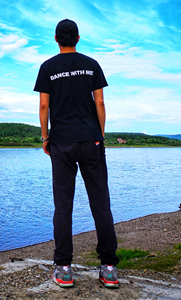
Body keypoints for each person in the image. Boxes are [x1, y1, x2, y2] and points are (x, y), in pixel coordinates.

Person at [34, 19, 119, 289]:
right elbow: (100, 102)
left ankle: (64, 269)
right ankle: (108, 269)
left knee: (63, 205)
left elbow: (44, 106)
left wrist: (45, 137)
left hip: (61, 142)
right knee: (100, 203)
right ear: (78, 38)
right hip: (91, 140)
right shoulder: (92, 64)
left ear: (56, 39)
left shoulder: (47, 67)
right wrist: (100, 135)